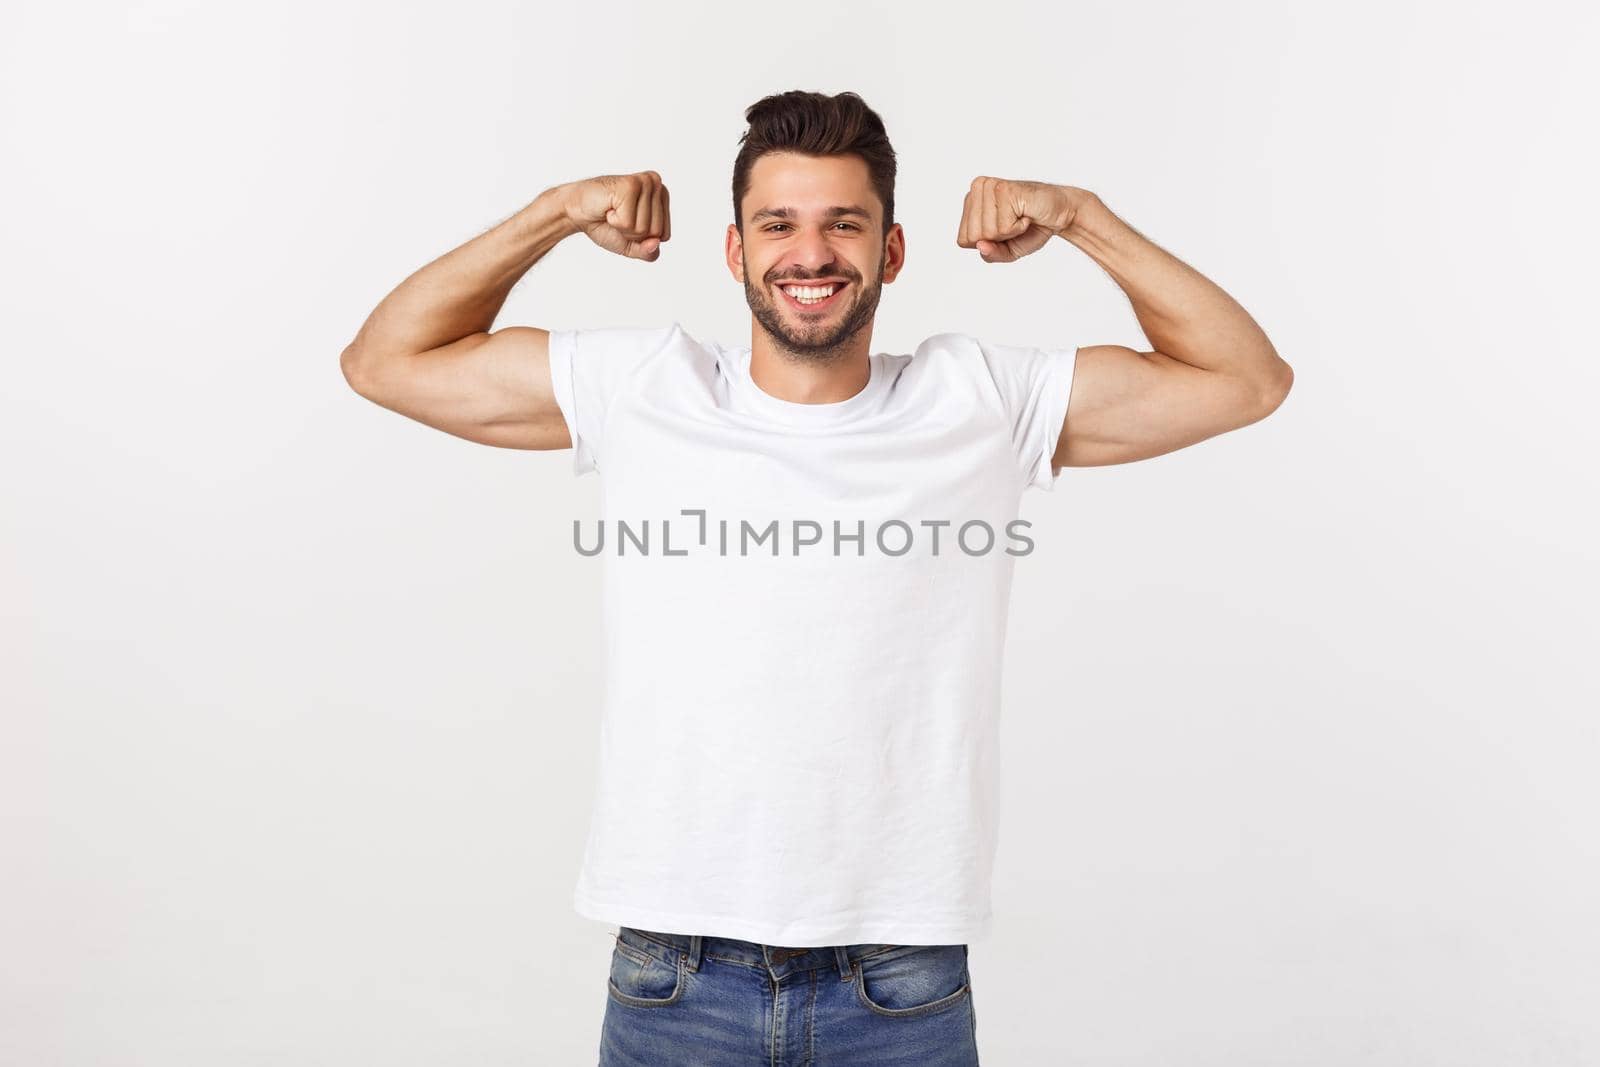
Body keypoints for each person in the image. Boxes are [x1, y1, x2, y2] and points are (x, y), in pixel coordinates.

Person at [339, 89, 1291, 1066]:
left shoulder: (977, 398)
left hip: (897, 983)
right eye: (778, 224)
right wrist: (557, 211)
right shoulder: (644, 387)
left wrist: (1080, 217)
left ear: (890, 252)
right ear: (735, 249)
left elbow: (1244, 380)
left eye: (845, 224)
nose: (811, 254)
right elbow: (385, 361)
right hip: (676, 969)